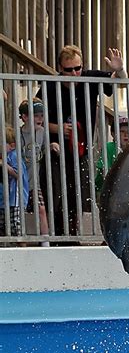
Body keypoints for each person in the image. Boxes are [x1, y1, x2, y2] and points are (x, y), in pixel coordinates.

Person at [37, 44, 127, 240]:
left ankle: (73, 235)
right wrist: (57, 128)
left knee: (78, 194)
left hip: (81, 149)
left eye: (78, 68)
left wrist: (119, 69)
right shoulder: (50, 86)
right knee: (55, 195)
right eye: (69, 70)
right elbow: (35, 118)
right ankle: (56, 236)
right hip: (56, 149)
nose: (75, 74)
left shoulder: (89, 78)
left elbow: (120, 83)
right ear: (60, 69)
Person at [19, 98, 60, 246]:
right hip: (19, 182)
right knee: (19, 212)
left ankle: (45, 242)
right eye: (36, 115)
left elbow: (42, 148)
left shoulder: (42, 132)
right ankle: (21, 241)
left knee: (41, 209)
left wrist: (52, 145)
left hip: (34, 181)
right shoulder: (18, 134)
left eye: (42, 115)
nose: (40, 119)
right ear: (24, 117)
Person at [0, 126, 29, 241]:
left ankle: (22, 250)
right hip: (5, 200)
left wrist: (4, 165)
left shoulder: (14, 155)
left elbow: (18, 174)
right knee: (4, 226)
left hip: (16, 200)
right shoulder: (5, 155)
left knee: (16, 227)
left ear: (11, 145)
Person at [95, 116, 129, 193]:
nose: (126, 134)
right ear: (113, 134)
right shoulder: (109, 147)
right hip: (106, 191)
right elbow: (104, 173)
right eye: (122, 131)